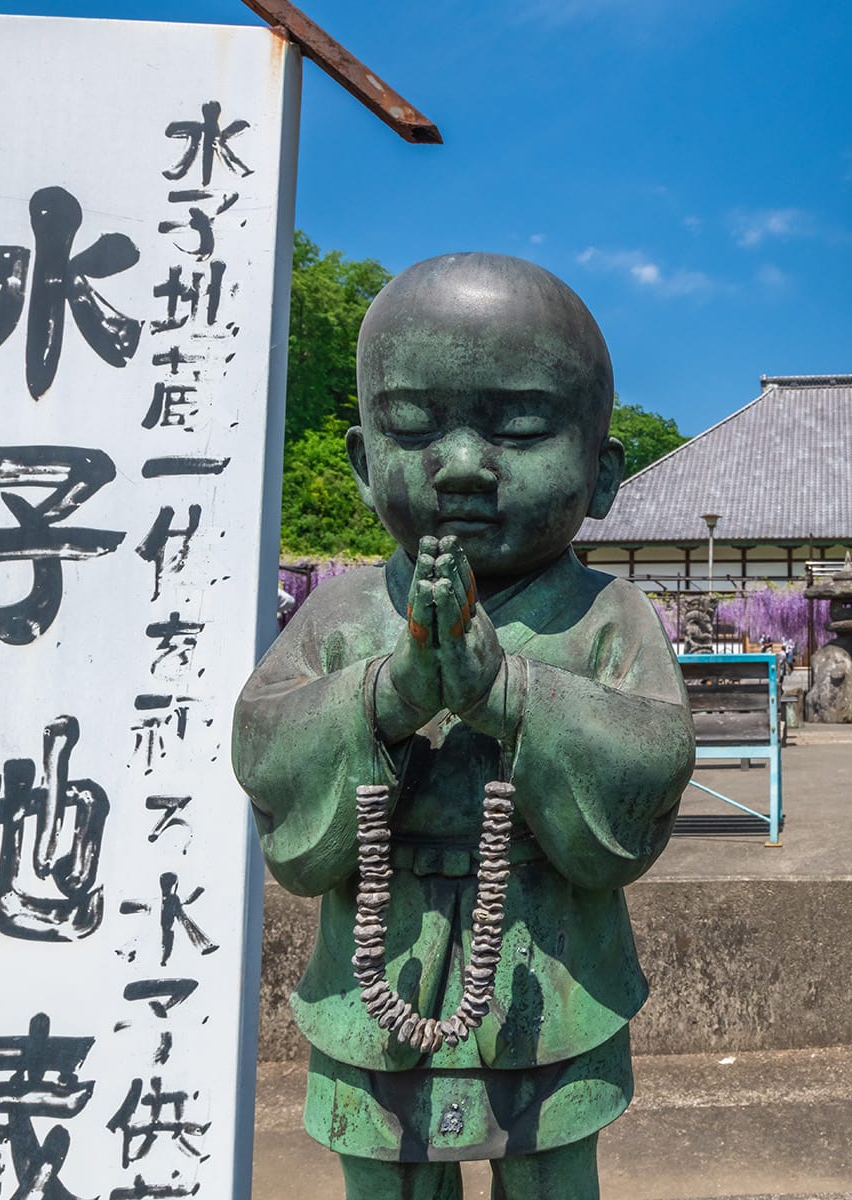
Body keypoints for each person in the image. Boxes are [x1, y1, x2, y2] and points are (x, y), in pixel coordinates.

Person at [232, 253, 695, 1198]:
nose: (462, 466)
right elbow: (265, 748)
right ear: (365, 461)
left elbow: (652, 761)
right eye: (411, 429)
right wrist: (391, 694)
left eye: (520, 430)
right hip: (380, 953)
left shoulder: (608, 615)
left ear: (603, 474)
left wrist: (509, 693)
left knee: (550, 1176)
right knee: (387, 1180)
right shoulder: (342, 611)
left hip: (551, 967)